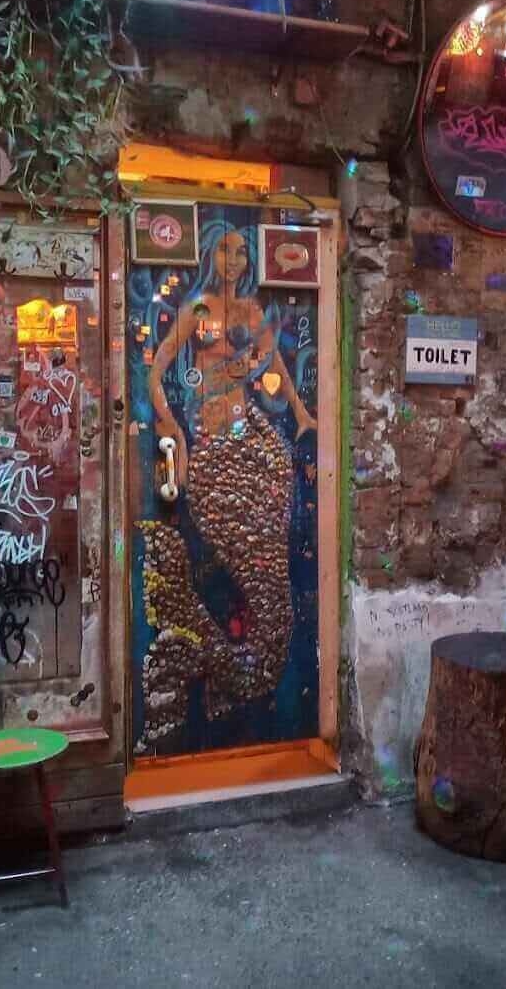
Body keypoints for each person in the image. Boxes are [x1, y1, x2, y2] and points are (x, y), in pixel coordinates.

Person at [135, 220, 316, 750]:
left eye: (240, 253)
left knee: (268, 574)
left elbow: (276, 366)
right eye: (224, 251)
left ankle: (244, 673)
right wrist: (171, 426)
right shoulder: (198, 310)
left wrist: (301, 411)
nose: (232, 261)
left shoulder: (253, 312)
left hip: (254, 447)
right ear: (210, 257)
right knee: (225, 560)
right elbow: (156, 370)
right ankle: (212, 660)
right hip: (212, 447)